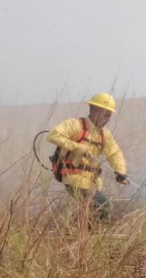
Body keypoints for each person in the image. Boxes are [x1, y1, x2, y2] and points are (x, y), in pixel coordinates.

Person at [47, 93, 129, 225]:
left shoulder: (105, 135)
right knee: (103, 205)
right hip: (74, 179)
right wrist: (76, 147)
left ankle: (73, 233)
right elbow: (53, 135)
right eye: (106, 115)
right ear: (96, 111)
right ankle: (99, 237)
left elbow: (115, 153)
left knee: (87, 210)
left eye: (109, 115)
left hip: (92, 182)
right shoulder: (75, 124)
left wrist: (121, 172)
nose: (108, 119)